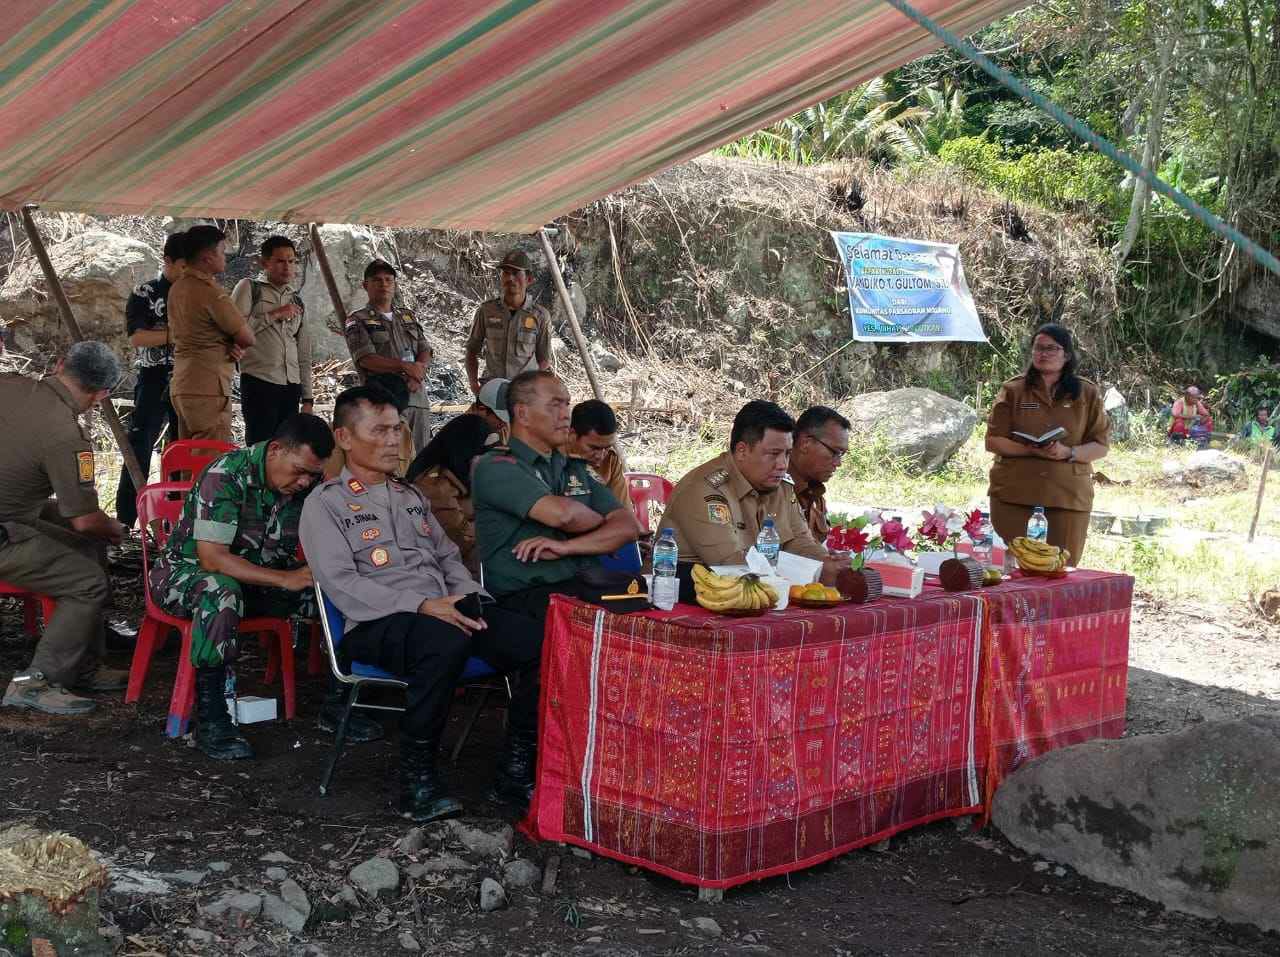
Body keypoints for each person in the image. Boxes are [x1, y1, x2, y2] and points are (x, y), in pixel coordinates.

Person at [300, 386, 545, 821]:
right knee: (444, 640)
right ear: (344, 438)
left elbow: (448, 558)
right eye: (380, 430)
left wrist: (474, 600)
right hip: (377, 624)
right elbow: (341, 584)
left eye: (397, 429)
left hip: (442, 611)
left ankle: (516, 770)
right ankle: (417, 782)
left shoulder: (410, 496)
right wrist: (421, 604)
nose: (394, 439)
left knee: (536, 640)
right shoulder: (326, 504)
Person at [148, 414, 339, 761]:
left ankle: (340, 704)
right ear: (276, 450)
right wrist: (286, 579)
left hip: (259, 579)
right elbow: (213, 559)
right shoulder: (227, 474)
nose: (304, 482)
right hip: (186, 577)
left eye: (313, 473)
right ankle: (212, 719)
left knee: (339, 592)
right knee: (220, 592)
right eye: (299, 470)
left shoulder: (311, 483)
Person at [0, 343, 129, 716]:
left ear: (59, 365)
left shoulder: (10, 384)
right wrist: (115, 527)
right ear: (102, 394)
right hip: (5, 530)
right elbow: (86, 519)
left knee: (84, 546)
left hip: (11, 510)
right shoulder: (68, 437)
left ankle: (83, 662)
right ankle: (35, 683)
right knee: (88, 581)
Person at [472, 371, 641, 618]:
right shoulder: (496, 466)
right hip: (525, 601)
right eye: (554, 405)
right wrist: (602, 524)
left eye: (566, 404)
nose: (565, 414)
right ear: (523, 414)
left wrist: (567, 547)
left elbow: (628, 527)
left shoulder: (574, 467)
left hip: (583, 589)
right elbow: (564, 516)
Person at [659, 400, 842, 582]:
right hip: (682, 595)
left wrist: (828, 563)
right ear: (741, 451)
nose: (782, 465)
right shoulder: (705, 490)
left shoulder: (780, 486)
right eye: (773, 454)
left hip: (754, 591)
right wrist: (811, 573)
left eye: (787, 454)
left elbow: (799, 541)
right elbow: (731, 566)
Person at [985, 323, 1110, 566]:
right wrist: (1029, 449)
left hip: (1067, 495)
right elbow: (993, 440)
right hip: (1015, 493)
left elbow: (1100, 445)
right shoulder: (1013, 389)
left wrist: (1069, 452)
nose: (1043, 354)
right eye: (1038, 348)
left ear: (1067, 355)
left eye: (1051, 348)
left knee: (1062, 568)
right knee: (1010, 570)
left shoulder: (1087, 393)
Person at [115, 230, 185, 528]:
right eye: (183, 265)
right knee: (140, 442)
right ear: (167, 260)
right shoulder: (146, 291)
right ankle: (127, 518)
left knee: (180, 447)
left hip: (189, 378)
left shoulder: (199, 291)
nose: (187, 272)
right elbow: (138, 337)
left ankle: (174, 518)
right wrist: (176, 335)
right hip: (154, 376)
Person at [168, 224, 255, 442]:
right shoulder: (209, 292)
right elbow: (247, 337)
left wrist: (228, 343)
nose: (225, 257)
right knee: (210, 457)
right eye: (222, 252)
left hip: (183, 381)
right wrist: (235, 344)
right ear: (207, 258)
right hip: (207, 384)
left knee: (189, 455)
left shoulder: (177, 288)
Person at [342, 260, 433, 454]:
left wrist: (419, 371)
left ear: (395, 284)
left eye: (388, 280)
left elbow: (425, 349)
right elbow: (366, 358)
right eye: (377, 280)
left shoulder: (408, 316)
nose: (383, 284)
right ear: (365, 285)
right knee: (390, 459)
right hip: (384, 404)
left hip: (417, 399)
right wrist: (405, 367)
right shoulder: (357, 319)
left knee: (420, 460)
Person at [232, 236, 313, 445]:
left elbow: (303, 351)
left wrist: (307, 397)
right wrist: (274, 314)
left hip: (290, 384)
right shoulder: (249, 288)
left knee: (287, 447)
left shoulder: (297, 299)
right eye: (280, 261)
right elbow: (235, 331)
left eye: (291, 261)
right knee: (260, 447)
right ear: (264, 263)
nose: (287, 267)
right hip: (260, 380)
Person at [405, 414, 498, 576]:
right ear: (466, 451)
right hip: (453, 577)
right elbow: (460, 540)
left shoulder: (460, 475)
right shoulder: (435, 486)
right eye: (482, 453)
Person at [464, 249, 552, 396]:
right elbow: (472, 350)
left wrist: (531, 387)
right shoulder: (487, 311)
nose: (510, 278)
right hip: (491, 392)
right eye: (506, 273)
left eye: (516, 273)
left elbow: (544, 360)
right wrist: (474, 384)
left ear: (529, 280)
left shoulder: (540, 316)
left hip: (523, 394)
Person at [787, 406, 851, 545]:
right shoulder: (773, 490)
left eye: (841, 455)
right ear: (805, 443)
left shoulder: (815, 494)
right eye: (834, 452)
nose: (838, 463)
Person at [564, 399, 629, 504]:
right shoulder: (551, 461)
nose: (601, 456)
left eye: (607, 447)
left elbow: (624, 512)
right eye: (594, 448)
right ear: (572, 435)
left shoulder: (610, 462)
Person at [468, 377, 510, 443]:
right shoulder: (461, 437)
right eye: (500, 418)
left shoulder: (498, 427)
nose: (504, 424)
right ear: (482, 409)